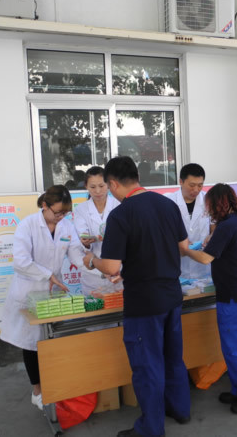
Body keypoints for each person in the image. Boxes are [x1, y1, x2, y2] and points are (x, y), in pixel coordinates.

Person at [83, 156, 190, 437]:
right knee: (173, 357)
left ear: (113, 184)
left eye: (107, 187)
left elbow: (111, 267)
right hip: (172, 294)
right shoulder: (168, 204)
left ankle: (151, 428)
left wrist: (92, 260)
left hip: (144, 302)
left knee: (147, 366)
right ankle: (180, 409)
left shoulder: (121, 214)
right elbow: (183, 246)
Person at [182, 184, 237, 414]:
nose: (207, 209)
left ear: (217, 204)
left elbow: (205, 258)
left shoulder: (227, 226)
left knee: (235, 349)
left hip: (235, 297)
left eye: (209, 205)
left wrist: (185, 250)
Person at [0, 185, 83, 410]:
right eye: (57, 212)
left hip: (52, 292)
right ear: (44, 206)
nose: (61, 217)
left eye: (65, 213)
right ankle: (37, 391)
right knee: (32, 344)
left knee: (51, 341)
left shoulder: (66, 226)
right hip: (29, 290)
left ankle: (53, 386)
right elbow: (21, 262)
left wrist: (97, 266)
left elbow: (76, 254)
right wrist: (48, 275)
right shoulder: (27, 225)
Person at [73, 166, 123, 296]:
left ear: (108, 184)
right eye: (93, 187)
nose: (98, 191)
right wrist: (85, 243)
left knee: (118, 307)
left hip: (118, 272)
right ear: (86, 186)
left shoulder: (119, 206)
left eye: (101, 186)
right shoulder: (80, 210)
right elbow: (82, 236)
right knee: (95, 307)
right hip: (93, 276)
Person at [165, 163, 211, 280]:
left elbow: (215, 226)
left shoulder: (208, 201)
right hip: (177, 266)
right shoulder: (168, 202)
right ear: (181, 181)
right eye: (192, 185)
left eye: (200, 185)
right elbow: (161, 231)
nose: (196, 190)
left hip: (203, 268)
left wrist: (212, 236)